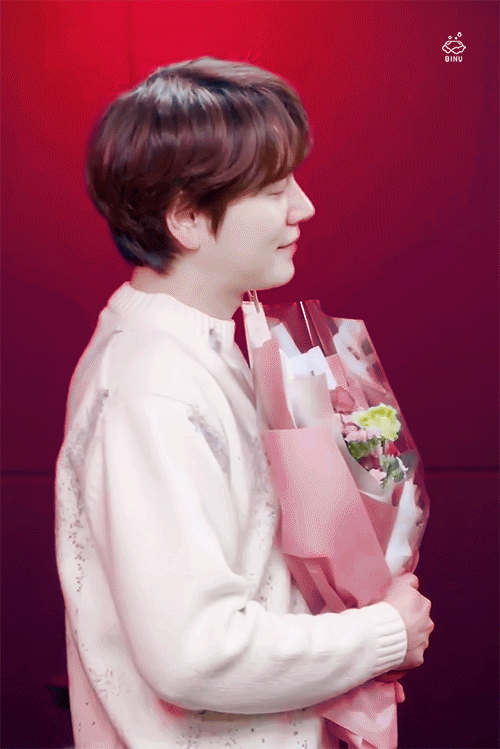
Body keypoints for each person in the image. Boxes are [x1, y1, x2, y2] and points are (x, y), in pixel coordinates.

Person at [55, 57, 433, 749]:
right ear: (187, 218)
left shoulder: (194, 348)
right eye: (275, 188)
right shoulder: (152, 383)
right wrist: (383, 633)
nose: (303, 208)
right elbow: (194, 652)